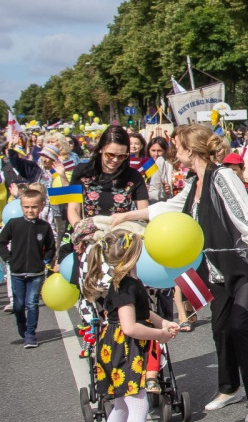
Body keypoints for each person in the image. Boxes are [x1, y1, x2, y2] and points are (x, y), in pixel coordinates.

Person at [112, 125, 248, 422]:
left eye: (177, 147)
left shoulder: (223, 175)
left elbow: (241, 211)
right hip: (218, 269)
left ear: (190, 150)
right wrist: (125, 216)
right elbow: (168, 208)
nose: (174, 152)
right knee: (220, 327)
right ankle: (229, 388)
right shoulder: (193, 183)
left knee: (240, 326)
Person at [82, 230, 178, 422]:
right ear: (134, 255)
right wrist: (160, 335)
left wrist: (163, 322)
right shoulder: (126, 285)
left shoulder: (128, 281)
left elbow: (143, 313)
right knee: (138, 405)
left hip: (118, 348)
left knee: (123, 404)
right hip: (125, 349)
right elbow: (130, 327)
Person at [0, 186, 55, 348]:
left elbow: (51, 247)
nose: (30, 210)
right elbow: (1, 242)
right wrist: (8, 258)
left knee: (31, 303)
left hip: (36, 272)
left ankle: (30, 334)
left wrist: (45, 260)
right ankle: (22, 326)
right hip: (16, 272)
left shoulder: (44, 227)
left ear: (41, 206)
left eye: (34, 207)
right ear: (21, 206)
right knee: (18, 306)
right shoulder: (14, 224)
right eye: (26, 207)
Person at [65, 125, 150, 229]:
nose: (115, 160)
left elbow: (143, 213)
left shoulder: (134, 177)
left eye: (122, 156)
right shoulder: (81, 171)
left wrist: (127, 217)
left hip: (120, 235)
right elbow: (73, 209)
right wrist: (79, 230)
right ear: (101, 149)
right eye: (110, 155)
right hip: (87, 234)